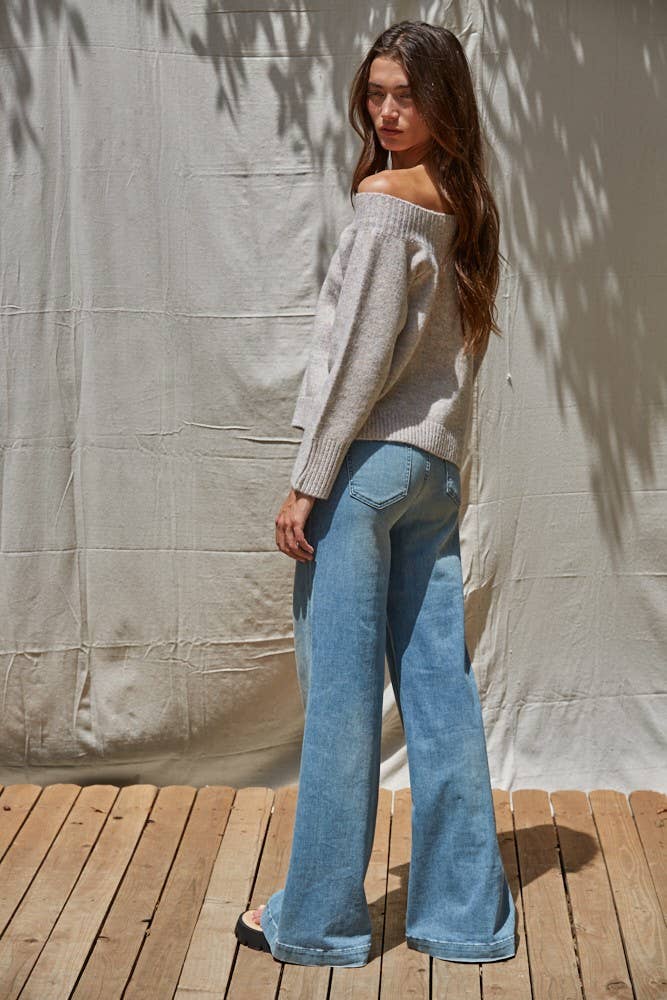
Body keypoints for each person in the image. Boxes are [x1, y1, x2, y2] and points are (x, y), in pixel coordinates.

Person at [234, 20, 516, 967]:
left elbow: (357, 360)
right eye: (376, 93)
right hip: (432, 474)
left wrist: (306, 484)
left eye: (406, 95)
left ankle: (313, 921)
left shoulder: (385, 204)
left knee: (344, 704)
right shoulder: (465, 205)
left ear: (445, 104)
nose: (386, 113)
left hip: (362, 476)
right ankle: (463, 918)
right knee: (441, 694)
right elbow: (451, 365)